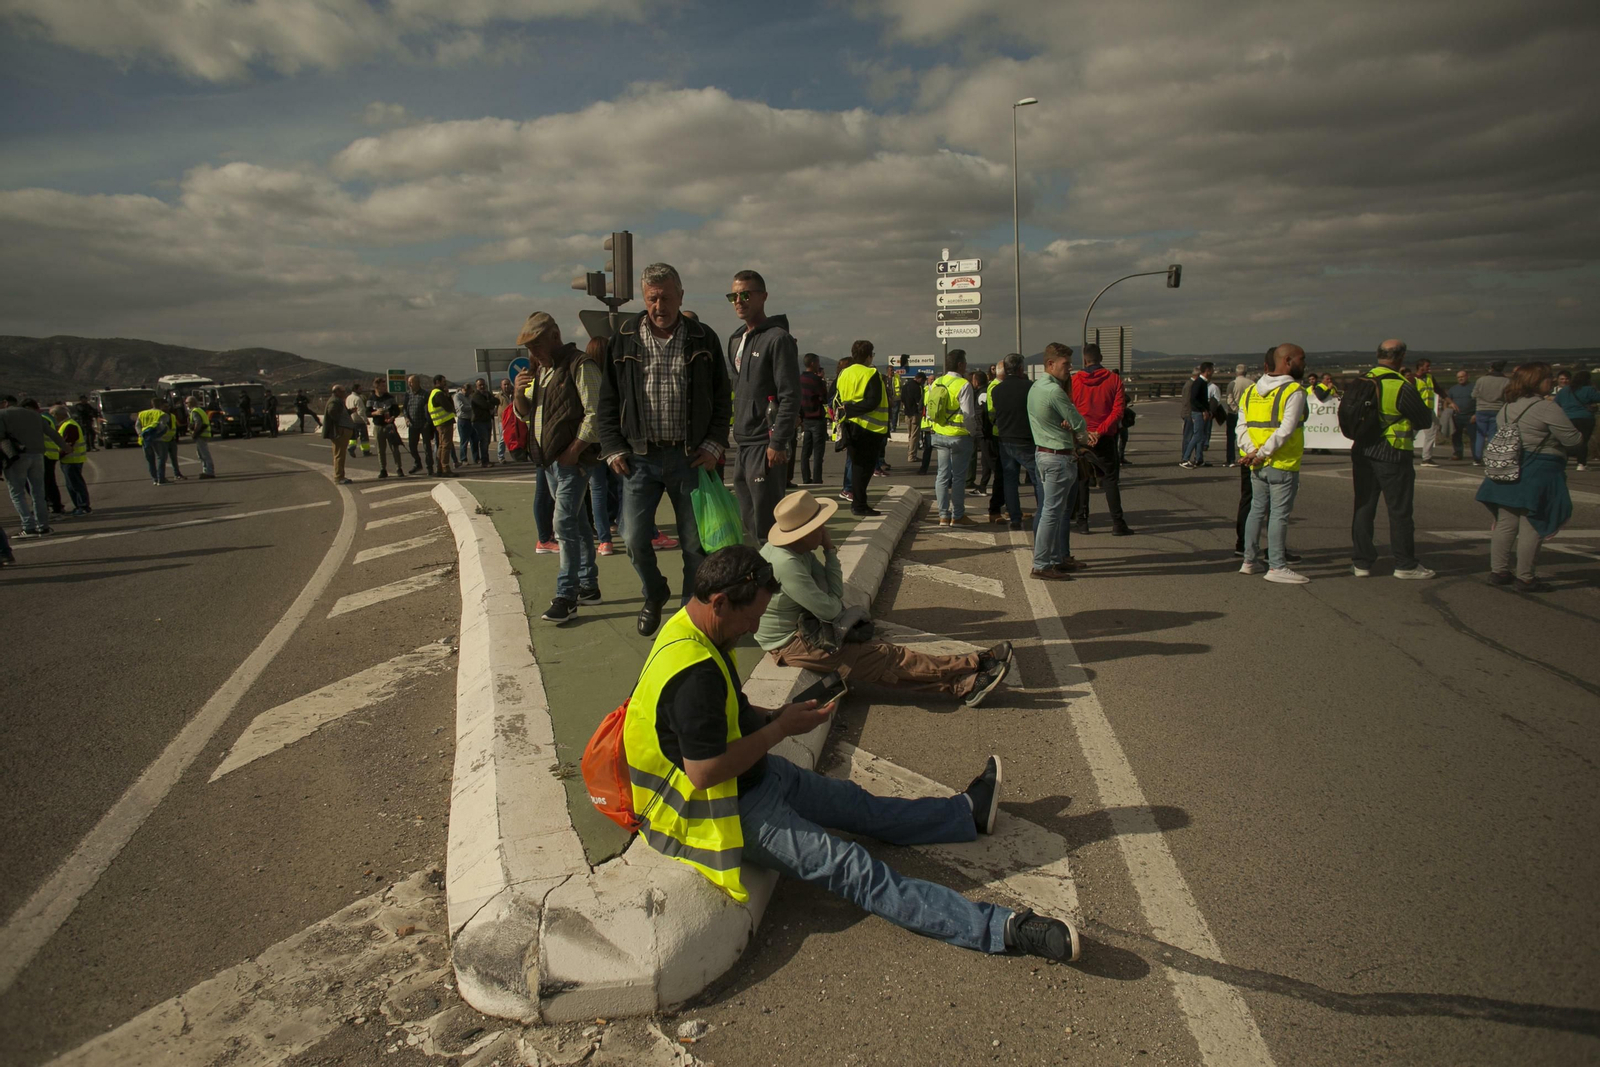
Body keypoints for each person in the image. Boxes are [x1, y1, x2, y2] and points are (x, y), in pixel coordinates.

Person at [622, 544, 1080, 961]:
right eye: (750, 618)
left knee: (858, 804)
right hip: (719, 810)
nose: (754, 628)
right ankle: (1003, 929)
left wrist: (776, 714)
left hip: (754, 778)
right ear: (719, 602)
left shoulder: (691, 628)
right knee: (854, 868)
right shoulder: (693, 675)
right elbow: (704, 772)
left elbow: (723, 713)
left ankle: (964, 814)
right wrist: (781, 728)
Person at [758, 490, 1014, 705]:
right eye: (819, 527)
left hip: (806, 626)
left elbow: (832, 595)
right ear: (803, 533)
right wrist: (830, 554)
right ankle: (972, 664)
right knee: (886, 658)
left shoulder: (796, 551)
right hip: (791, 642)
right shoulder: (787, 563)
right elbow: (831, 608)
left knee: (882, 662)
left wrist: (829, 551)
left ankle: (964, 684)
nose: (825, 530)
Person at [596, 261, 731, 638]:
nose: (660, 306)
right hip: (639, 458)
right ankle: (654, 592)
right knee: (635, 538)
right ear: (644, 297)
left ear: (681, 296)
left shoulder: (704, 338)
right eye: (653, 298)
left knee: (694, 544)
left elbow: (722, 397)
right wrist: (612, 447)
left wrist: (714, 443)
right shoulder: (622, 339)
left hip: (691, 458)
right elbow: (607, 399)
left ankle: (690, 614)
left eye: (667, 298)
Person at [513, 313, 603, 624]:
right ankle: (589, 584)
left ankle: (567, 594)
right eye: (528, 347)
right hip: (551, 462)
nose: (531, 352)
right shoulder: (543, 372)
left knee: (563, 524)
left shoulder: (579, 365)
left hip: (570, 462)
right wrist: (516, 392)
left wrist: (575, 450)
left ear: (554, 336)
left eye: (535, 344)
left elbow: (596, 412)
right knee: (577, 525)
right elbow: (526, 414)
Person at [1475, 362, 1579, 593]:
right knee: (1533, 522)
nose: (1551, 381)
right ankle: (1526, 577)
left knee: (1506, 522)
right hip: (1540, 469)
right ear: (1535, 381)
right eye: (1547, 377)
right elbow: (1573, 440)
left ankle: (1499, 571)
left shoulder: (1506, 408)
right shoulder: (1546, 408)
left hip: (1509, 468)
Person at [1351, 339, 1435, 579]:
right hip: (1393, 451)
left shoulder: (1361, 380)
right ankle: (1405, 563)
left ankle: (1361, 562)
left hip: (1362, 450)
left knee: (1363, 507)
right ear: (1400, 357)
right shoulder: (1400, 385)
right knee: (1399, 510)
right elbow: (1424, 419)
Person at [725, 270, 799, 542]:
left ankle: (776, 579)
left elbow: (790, 394)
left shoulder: (778, 339)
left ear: (763, 296)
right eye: (733, 295)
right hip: (743, 443)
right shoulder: (736, 339)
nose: (738, 300)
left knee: (768, 524)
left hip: (765, 444)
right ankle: (760, 579)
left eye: (745, 294)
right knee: (749, 522)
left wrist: (778, 442)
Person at [1238, 344, 1311, 584]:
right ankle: (1277, 565)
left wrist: (1252, 452)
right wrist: (1263, 453)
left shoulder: (1251, 391)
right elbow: (1287, 429)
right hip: (1281, 461)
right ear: (1288, 361)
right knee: (1279, 514)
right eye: (1301, 359)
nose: (1304, 363)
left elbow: (1242, 427)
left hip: (1256, 463)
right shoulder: (1294, 391)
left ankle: (1249, 560)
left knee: (1256, 510)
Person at [1030, 344, 1094, 580]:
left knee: (1053, 511)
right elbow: (1078, 422)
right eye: (1065, 364)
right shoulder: (1054, 392)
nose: (1069, 369)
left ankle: (1054, 559)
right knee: (1052, 512)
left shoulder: (1037, 387)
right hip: (1057, 456)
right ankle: (1042, 563)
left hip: (1045, 452)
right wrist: (1083, 437)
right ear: (1050, 364)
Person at [1070, 343, 1133, 536]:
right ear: (1101, 358)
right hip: (1105, 437)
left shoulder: (1075, 381)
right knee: (1110, 480)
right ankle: (1117, 523)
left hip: (1082, 435)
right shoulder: (1114, 380)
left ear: (1085, 360)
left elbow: (1070, 409)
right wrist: (1100, 431)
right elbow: (1118, 411)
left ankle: (1083, 522)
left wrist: (1086, 431)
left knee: (1082, 479)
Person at [834, 339, 890, 517]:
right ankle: (859, 504)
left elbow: (836, 397)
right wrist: (852, 409)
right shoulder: (871, 373)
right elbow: (873, 402)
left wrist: (846, 411)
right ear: (868, 356)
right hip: (868, 428)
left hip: (849, 426)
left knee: (857, 466)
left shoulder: (844, 373)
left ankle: (859, 503)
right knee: (863, 470)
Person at [927, 349, 979, 526]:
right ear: (960, 365)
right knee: (958, 477)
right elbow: (968, 415)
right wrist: (973, 432)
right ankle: (957, 516)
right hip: (959, 437)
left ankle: (943, 515)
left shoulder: (937, 382)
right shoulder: (963, 385)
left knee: (942, 475)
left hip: (940, 435)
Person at [2, 398, 65, 536]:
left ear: (5, 403)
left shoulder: (3, 415)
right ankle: (43, 526)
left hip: (16, 457)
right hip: (37, 455)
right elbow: (51, 432)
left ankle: (28, 526)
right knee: (38, 493)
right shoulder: (35, 415)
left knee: (17, 493)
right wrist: (65, 446)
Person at [990, 353, 1037, 531]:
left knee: (1010, 480)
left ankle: (1015, 518)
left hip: (1005, 439)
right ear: (1020, 368)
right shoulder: (1030, 387)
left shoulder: (996, 390)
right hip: (1026, 439)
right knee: (1037, 479)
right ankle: (1042, 515)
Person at [1553, 369, 1598, 472]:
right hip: (1585, 418)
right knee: (1583, 441)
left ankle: (1564, 461)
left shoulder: (1564, 390)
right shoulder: (1589, 389)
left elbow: (1555, 403)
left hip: (1568, 418)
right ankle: (1581, 463)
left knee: (1566, 441)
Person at [51, 404, 91, 513]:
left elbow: (68, 445)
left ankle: (83, 506)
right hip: (69, 460)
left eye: (52, 415)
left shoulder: (70, 425)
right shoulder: (65, 425)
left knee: (76, 484)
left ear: (57, 415)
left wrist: (55, 457)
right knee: (71, 485)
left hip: (72, 460)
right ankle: (79, 506)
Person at [1180, 363, 1219, 469]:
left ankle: (1199, 459)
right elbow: (1194, 399)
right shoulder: (1199, 383)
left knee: (1201, 436)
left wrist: (1208, 411)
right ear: (1207, 371)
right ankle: (1185, 458)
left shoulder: (1202, 382)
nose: (1213, 371)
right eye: (1212, 369)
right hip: (1197, 413)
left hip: (1201, 411)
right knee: (1197, 435)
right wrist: (1203, 410)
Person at [1470, 361, 1509, 465]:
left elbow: (1473, 395)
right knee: (1493, 434)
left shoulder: (1481, 380)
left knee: (1480, 434)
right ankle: (1491, 457)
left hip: (1481, 409)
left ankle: (1477, 458)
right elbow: (1507, 397)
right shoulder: (1506, 381)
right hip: (1497, 409)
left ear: (1491, 368)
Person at [797, 353, 828, 486]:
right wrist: (822, 380)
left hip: (805, 418)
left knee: (805, 451)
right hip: (817, 418)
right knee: (818, 452)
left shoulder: (799, 379)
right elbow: (824, 398)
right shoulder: (816, 381)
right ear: (813, 363)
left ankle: (805, 477)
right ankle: (817, 479)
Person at [30, 401, 65, 517]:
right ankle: (55, 506)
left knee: (47, 483)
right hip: (50, 453)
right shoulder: (45, 418)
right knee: (49, 483)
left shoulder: (40, 419)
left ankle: (55, 508)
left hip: (47, 454)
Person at [370, 377, 406, 479]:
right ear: (377, 387)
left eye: (385, 385)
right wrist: (375, 413)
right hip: (378, 426)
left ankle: (399, 468)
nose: (384, 387)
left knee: (395, 448)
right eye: (382, 386)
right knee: (380, 449)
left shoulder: (390, 397)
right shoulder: (371, 398)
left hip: (390, 426)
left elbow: (396, 410)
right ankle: (383, 469)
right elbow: (367, 412)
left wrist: (392, 417)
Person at [322, 385, 356, 484]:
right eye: (342, 391)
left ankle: (341, 475)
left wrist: (349, 412)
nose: (344, 393)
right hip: (340, 431)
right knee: (339, 455)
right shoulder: (334, 401)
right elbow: (332, 411)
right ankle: (339, 477)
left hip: (343, 429)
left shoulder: (338, 401)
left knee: (340, 454)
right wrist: (339, 423)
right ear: (337, 392)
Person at [1413, 358, 1442, 467]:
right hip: (1417, 411)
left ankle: (1427, 458)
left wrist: (1450, 401)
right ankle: (1402, 453)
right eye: (1427, 366)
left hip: (1428, 410)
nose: (1429, 368)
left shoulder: (1430, 378)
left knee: (1431, 432)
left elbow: (1438, 390)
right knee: (1411, 433)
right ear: (1420, 367)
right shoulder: (1413, 379)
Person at [135, 396, 170, 484]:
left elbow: (137, 426)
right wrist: (155, 434)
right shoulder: (162, 414)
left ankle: (154, 478)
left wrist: (142, 434)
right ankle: (161, 479)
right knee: (161, 458)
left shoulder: (142, 413)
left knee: (150, 460)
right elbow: (162, 426)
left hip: (145, 439)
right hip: (158, 439)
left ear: (152, 404)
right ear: (161, 405)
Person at [1225, 363, 1254, 468]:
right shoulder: (1252, 383)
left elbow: (1229, 399)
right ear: (1245, 372)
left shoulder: (1232, 383)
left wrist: (1236, 409)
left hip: (1233, 413)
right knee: (1247, 436)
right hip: (1248, 413)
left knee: (1231, 437)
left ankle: (1231, 459)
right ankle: (1248, 456)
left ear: (1236, 372)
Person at [404, 375, 435, 474]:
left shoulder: (425, 394)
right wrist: (406, 418)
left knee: (427, 447)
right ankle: (417, 463)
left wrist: (428, 422)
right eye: (409, 382)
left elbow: (429, 409)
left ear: (417, 383)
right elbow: (404, 408)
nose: (409, 384)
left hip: (423, 424)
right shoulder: (408, 395)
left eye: (411, 382)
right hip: (412, 425)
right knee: (412, 446)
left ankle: (429, 466)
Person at [1444, 369, 1476, 461]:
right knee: (1456, 436)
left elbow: (1479, 401)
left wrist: (1476, 414)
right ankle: (1457, 453)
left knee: (1473, 437)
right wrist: (1447, 411)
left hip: (1470, 416)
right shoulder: (1453, 389)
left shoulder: (1474, 387)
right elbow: (1447, 400)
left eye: (1462, 377)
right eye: (1458, 377)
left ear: (1467, 376)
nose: (1460, 379)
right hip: (1457, 416)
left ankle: (1476, 456)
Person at [429, 375, 456, 476]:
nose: (445, 383)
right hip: (444, 422)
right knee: (446, 445)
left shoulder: (433, 393)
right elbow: (449, 407)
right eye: (443, 381)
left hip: (439, 422)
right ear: (438, 382)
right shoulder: (439, 394)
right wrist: (448, 396)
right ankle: (445, 468)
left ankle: (440, 468)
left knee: (441, 445)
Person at [184, 395, 217, 479]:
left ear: (190, 403)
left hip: (201, 435)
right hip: (204, 434)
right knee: (201, 454)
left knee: (204, 454)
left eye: (186, 403)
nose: (186, 404)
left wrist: (194, 433)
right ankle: (206, 471)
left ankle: (209, 472)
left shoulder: (194, 411)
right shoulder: (199, 410)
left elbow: (198, 423)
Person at [469, 378, 496, 467]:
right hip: (479, 421)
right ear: (476, 386)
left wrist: (489, 400)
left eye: (483, 385)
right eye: (480, 385)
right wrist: (490, 403)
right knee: (483, 441)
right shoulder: (476, 396)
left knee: (487, 441)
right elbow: (485, 405)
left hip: (487, 420)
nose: (482, 386)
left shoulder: (487, 394)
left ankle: (485, 459)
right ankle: (484, 461)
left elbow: (497, 401)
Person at [900, 370, 925, 464]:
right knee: (914, 436)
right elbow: (919, 401)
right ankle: (912, 455)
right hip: (915, 413)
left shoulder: (905, 386)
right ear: (920, 379)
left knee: (910, 435)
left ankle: (910, 452)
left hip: (907, 413)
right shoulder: (917, 387)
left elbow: (902, 399)